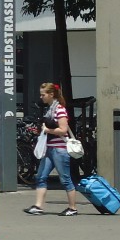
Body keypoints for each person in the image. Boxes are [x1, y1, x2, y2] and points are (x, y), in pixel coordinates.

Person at [23, 82, 80, 216]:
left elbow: (63, 130)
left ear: (51, 94)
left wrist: (47, 129)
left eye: (43, 94)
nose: (41, 97)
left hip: (59, 149)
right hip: (50, 149)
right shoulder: (50, 109)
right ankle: (38, 206)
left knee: (65, 179)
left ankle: (73, 208)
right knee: (41, 176)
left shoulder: (59, 109)